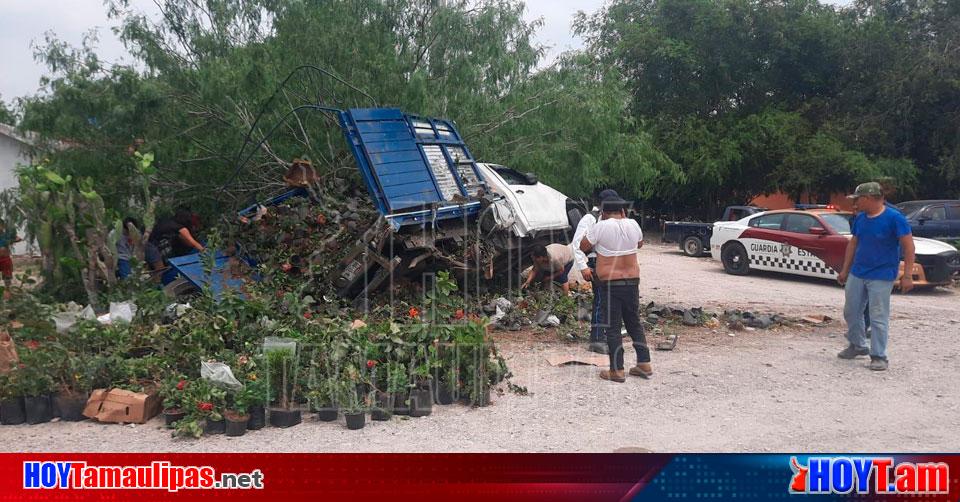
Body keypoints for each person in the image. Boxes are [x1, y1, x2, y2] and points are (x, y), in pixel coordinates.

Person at [837, 182, 915, 371]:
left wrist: (907, 275)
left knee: (878, 316)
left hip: (882, 274)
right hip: (858, 271)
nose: (855, 203)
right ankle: (858, 345)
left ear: (868, 198)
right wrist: (845, 269)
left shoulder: (895, 218)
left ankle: (879, 355)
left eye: (858, 199)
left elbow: (908, 246)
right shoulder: (861, 218)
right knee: (851, 311)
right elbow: (853, 244)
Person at [580, 195, 651, 382]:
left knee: (612, 327)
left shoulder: (600, 226)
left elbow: (583, 246)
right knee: (634, 322)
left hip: (611, 284)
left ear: (603, 213)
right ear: (623, 211)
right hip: (633, 281)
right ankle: (644, 362)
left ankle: (617, 370)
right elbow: (639, 244)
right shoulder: (633, 224)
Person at [571, 189, 622, 355]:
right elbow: (576, 244)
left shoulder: (613, 221)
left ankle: (603, 335)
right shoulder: (590, 219)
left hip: (611, 263)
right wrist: (583, 267)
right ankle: (597, 340)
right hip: (596, 262)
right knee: (601, 301)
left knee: (609, 301)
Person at [863, 178, 903, 338]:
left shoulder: (893, 214)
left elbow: (903, 241)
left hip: (884, 265)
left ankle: (873, 329)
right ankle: (862, 329)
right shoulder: (863, 213)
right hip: (865, 264)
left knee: (877, 302)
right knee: (861, 302)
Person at [146, 207, 205, 284]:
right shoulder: (181, 228)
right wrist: (204, 251)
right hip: (151, 246)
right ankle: (158, 287)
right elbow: (193, 242)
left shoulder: (169, 222)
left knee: (156, 269)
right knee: (160, 270)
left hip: (148, 243)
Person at [0, 219, 22, 293]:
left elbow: (18, 238)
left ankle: (7, 291)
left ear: (3, 226)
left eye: (0, 225)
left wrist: (11, 241)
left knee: (7, 275)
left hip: (5, 259)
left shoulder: (6, 235)